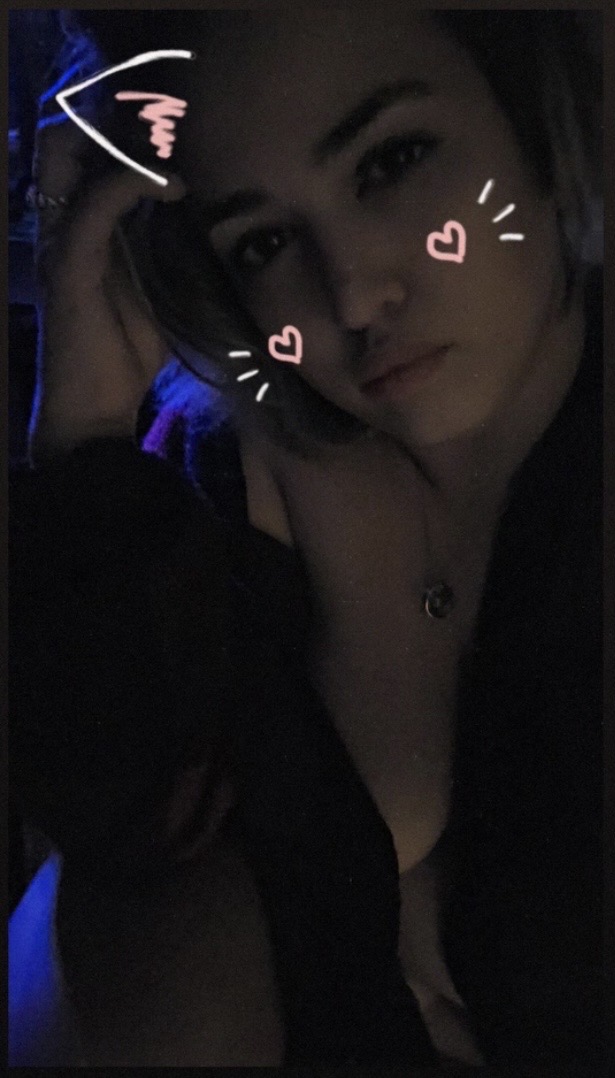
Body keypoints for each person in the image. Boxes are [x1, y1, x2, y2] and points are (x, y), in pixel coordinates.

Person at [9, 7, 603, 1067]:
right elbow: (116, 812)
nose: (354, 296)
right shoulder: (234, 467)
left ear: (534, 123)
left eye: (391, 161)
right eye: (264, 241)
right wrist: (85, 435)